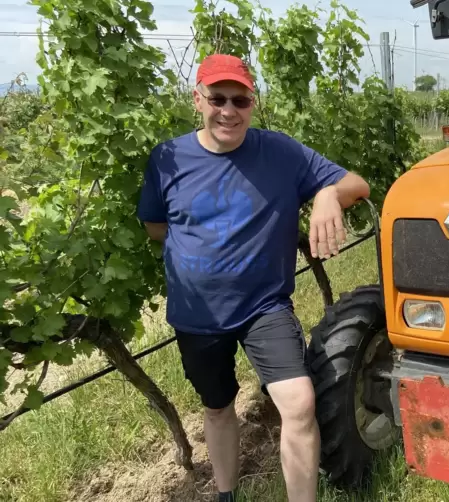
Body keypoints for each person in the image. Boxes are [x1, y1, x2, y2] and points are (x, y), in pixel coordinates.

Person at [136, 53, 370, 502]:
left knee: (300, 404)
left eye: (240, 100)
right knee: (218, 407)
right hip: (196, 313)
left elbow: (356, 184)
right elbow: (156, 227)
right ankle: (227, 494)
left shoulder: (280, 152)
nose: (229, 110)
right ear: (197, 99)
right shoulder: (166, 158)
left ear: (253, 103)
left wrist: (326, 194)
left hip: (264, 307)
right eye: (218, 98)